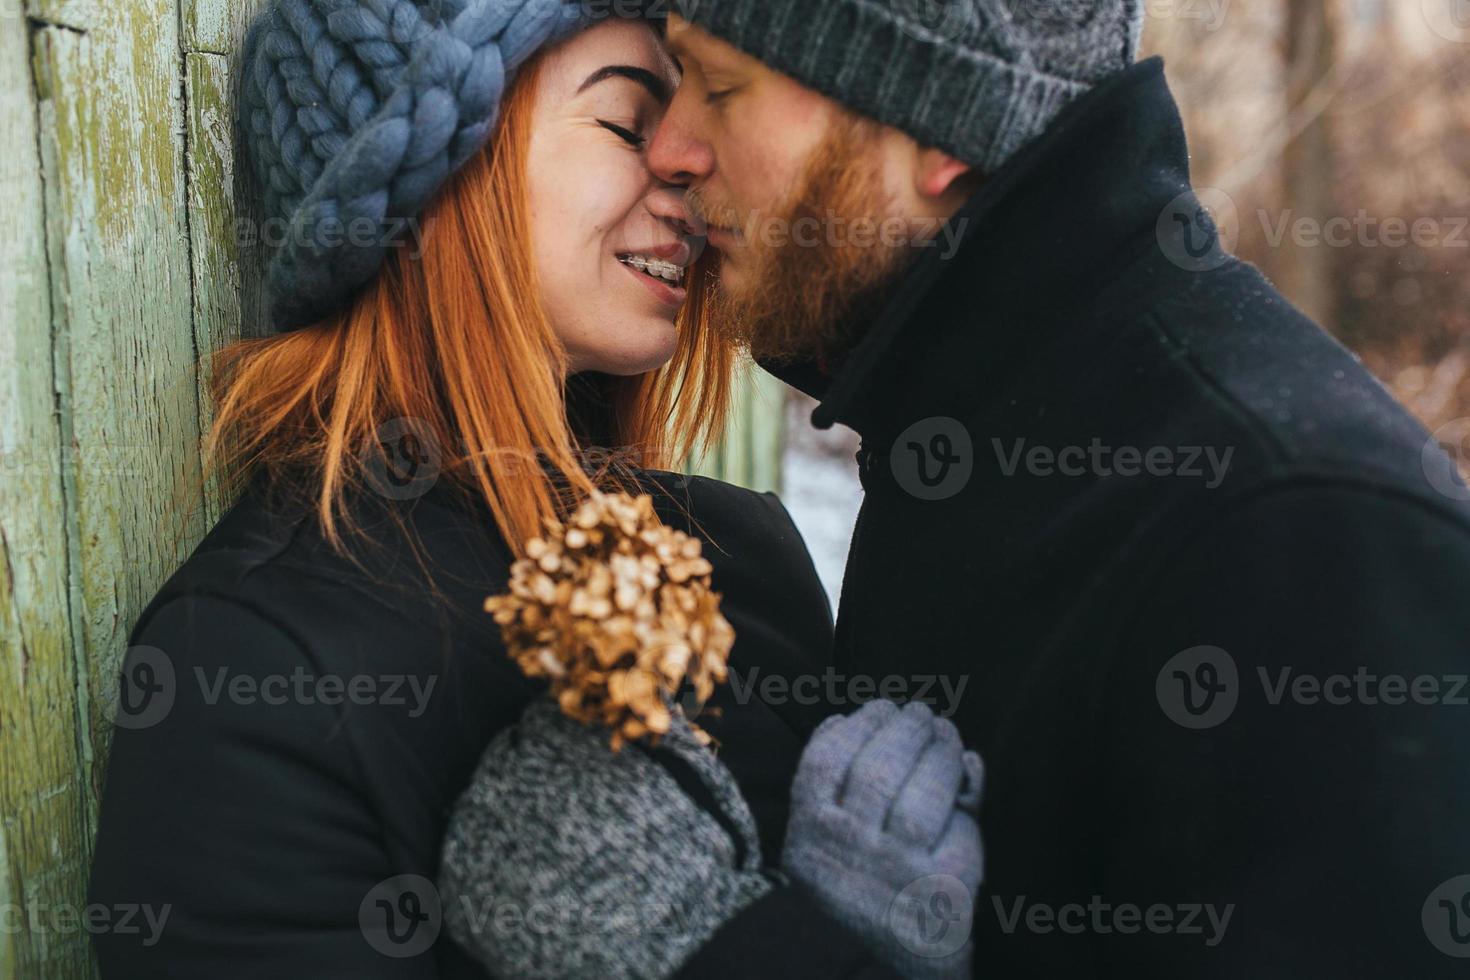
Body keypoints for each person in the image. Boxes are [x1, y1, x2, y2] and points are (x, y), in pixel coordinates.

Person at [471, 1, 1470, 976]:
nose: (673, 148)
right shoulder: (969, 427)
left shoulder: (1305, 533)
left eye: (722, 88)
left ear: (939, 131)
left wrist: (723, 949)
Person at [86, 3, 980, 977]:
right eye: (627, 123)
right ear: (434, 177)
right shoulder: (251, 667)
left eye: (699, 114)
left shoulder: (741, 558)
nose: (689, 160)